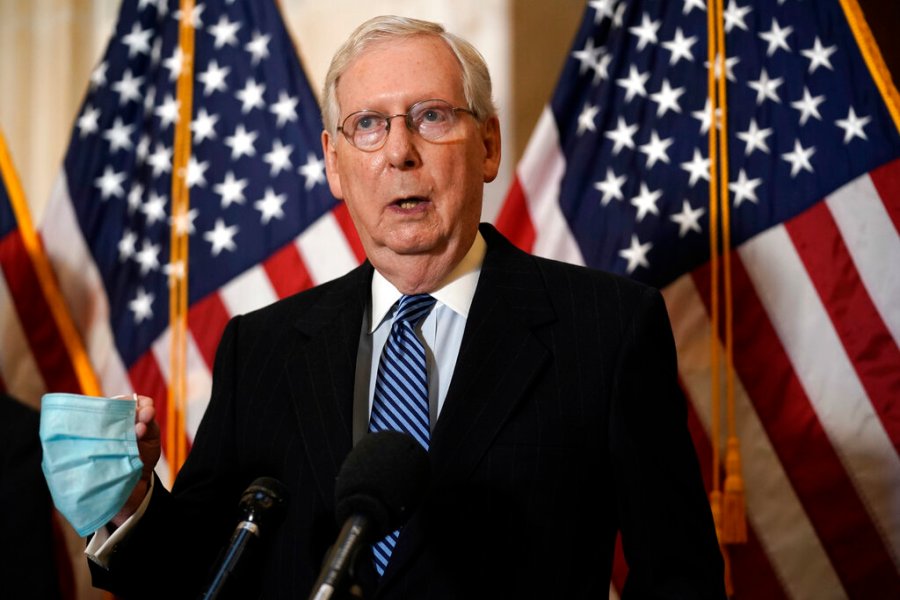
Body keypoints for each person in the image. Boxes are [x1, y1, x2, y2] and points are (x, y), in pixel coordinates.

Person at [86, 15, 725, 599]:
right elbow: (195, 577)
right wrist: (130, 498)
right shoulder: (260, 347)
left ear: (490, 146)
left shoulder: (608, 328)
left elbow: (680, 576)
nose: (399, 152)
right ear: (334, 165)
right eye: (368, 124)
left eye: (432, 116)